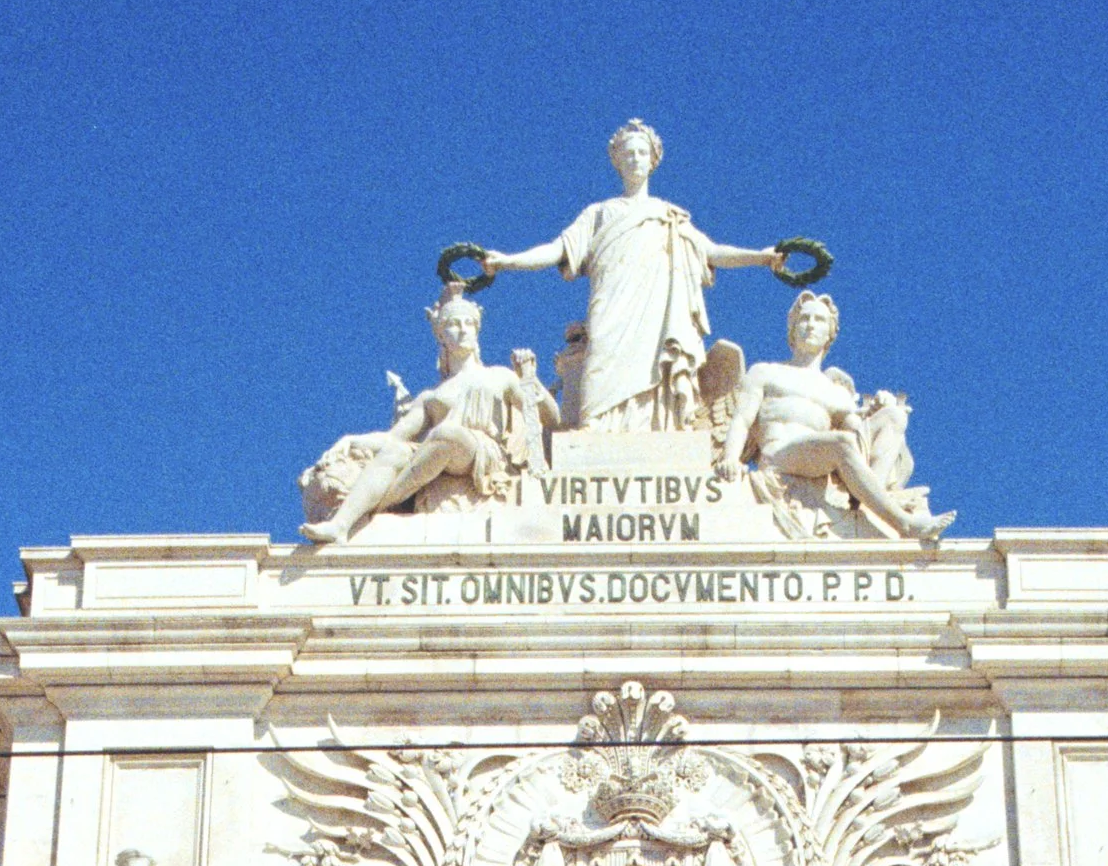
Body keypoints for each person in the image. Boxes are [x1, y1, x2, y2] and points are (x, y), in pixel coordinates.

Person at [473, 119, 783, 431]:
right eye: (628, 153)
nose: (635, 158)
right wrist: (507, 261)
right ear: (617, 162)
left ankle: (662, 428)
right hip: (611, 304)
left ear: (653, 160)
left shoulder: (670, 216)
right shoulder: (598, 214)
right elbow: (557, 250)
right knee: (601, 362)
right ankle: (595, 426)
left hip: (658, 310)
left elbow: (713, 252)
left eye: (641, 152)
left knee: (657, 363)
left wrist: (761, 257)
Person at [300, 289, 560, 546]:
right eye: (454, 324)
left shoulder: (500, 376)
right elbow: (393, 438)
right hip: (437, 450)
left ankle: (383, 506)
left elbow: (552, 417)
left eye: (469, 323)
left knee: (447, 433)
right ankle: (341, 525)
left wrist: (532, 379)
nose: (463, 329)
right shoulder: (431, 396)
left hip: (481, 453)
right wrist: (352, 440)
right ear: (441, 335)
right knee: (396, 453)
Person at [715, 289, 949, 541]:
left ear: (830, 333)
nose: (810, 325)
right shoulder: (765, 372)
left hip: (818, 457)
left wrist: (881, 406)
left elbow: (859, 432)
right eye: (804, 319)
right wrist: (730, 457)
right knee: (841, 444)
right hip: (779, 455)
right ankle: (904, 523)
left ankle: (869, 503)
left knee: (893, 417)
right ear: (792, 328)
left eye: (819, 320)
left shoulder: (835, 392)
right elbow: (741, 419)